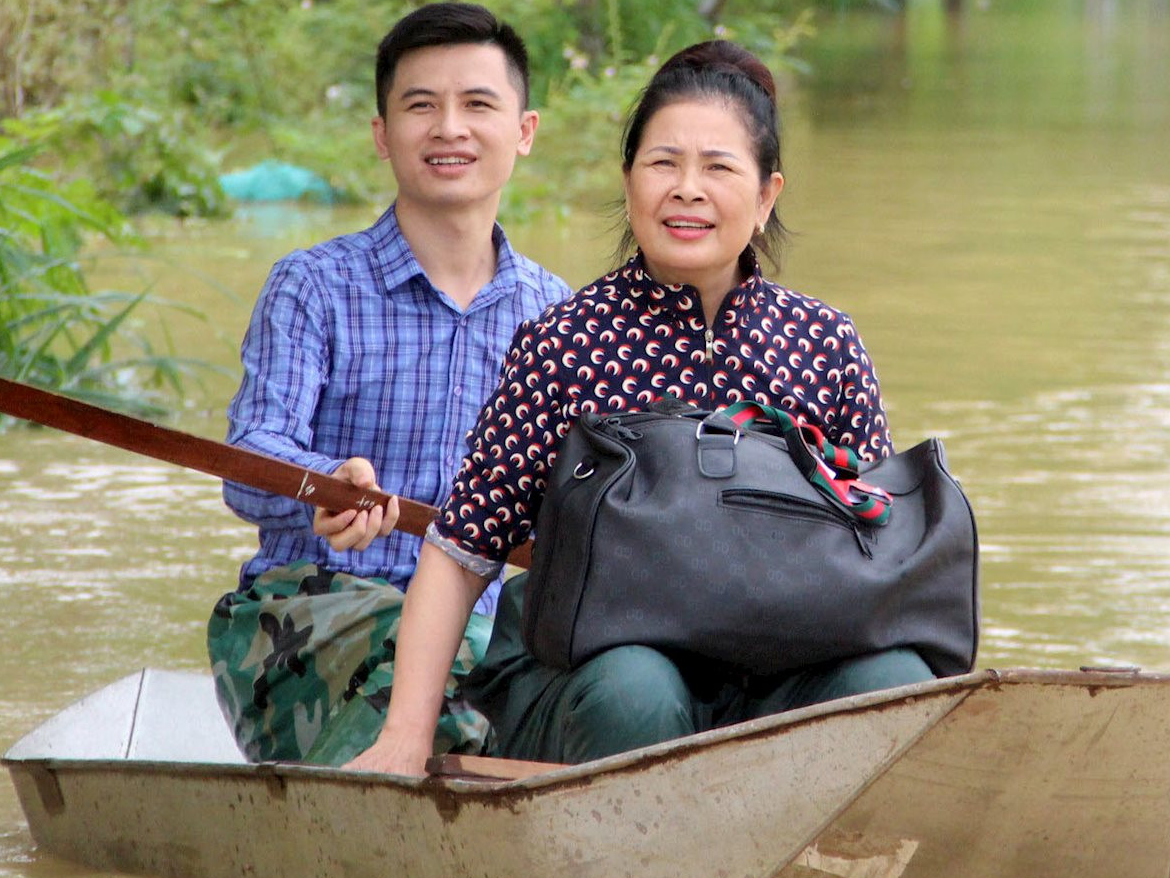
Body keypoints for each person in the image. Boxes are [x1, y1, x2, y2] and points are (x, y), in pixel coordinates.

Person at [343, 41, 933, 776]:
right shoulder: (565, 341)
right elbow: (461, 552)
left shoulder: (825, 343)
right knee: (640, 687)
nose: (687, 189)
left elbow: (882, 545)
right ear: (628, 183)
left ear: (767, 194)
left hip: (772, 677)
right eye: (663, 163)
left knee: (898, 678)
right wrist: (406, 735)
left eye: (718, 167)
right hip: (591, 679)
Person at [206, 3, 571, 765]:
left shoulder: (556, 315)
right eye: (420, 106)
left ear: (524, 131)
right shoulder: (313, 285)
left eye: (477, 104)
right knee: (452, 712)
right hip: (310, 610)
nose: (449, 128)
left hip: (481, 626)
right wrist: (321, 486)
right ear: (382, 134)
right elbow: (249, 462)